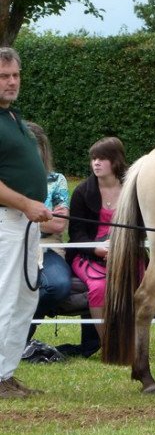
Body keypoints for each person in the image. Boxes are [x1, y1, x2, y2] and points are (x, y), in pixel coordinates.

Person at [0, 47, 53, 398]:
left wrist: (39, 208)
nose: (12, 81)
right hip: (6, 220)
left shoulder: (14, 118)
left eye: (15, 75)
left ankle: (6, 372)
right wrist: (26, 203)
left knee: (24, 298)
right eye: (4, 76)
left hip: (27, 221)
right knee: (5, 296)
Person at [67, 137, 127, 340]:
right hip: (88, 254)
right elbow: (76, 233)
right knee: (98, 287)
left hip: (126, 252)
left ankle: (130, 340)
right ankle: (108, 344)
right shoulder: (82, 192)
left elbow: (141, 230)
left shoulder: (132, 190)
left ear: (116, 161)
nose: (96, 163)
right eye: (93, 159)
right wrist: (96, 249)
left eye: (102, 158)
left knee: (135, 284)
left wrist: (120, 249)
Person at [23, 122, 72, 342]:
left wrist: (23, 215)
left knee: (58, 285)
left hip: (49, 247)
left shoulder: (57, 180)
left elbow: (58, 226)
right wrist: (45, 215)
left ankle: (19, 339)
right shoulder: (7, 182)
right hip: (15, 244)